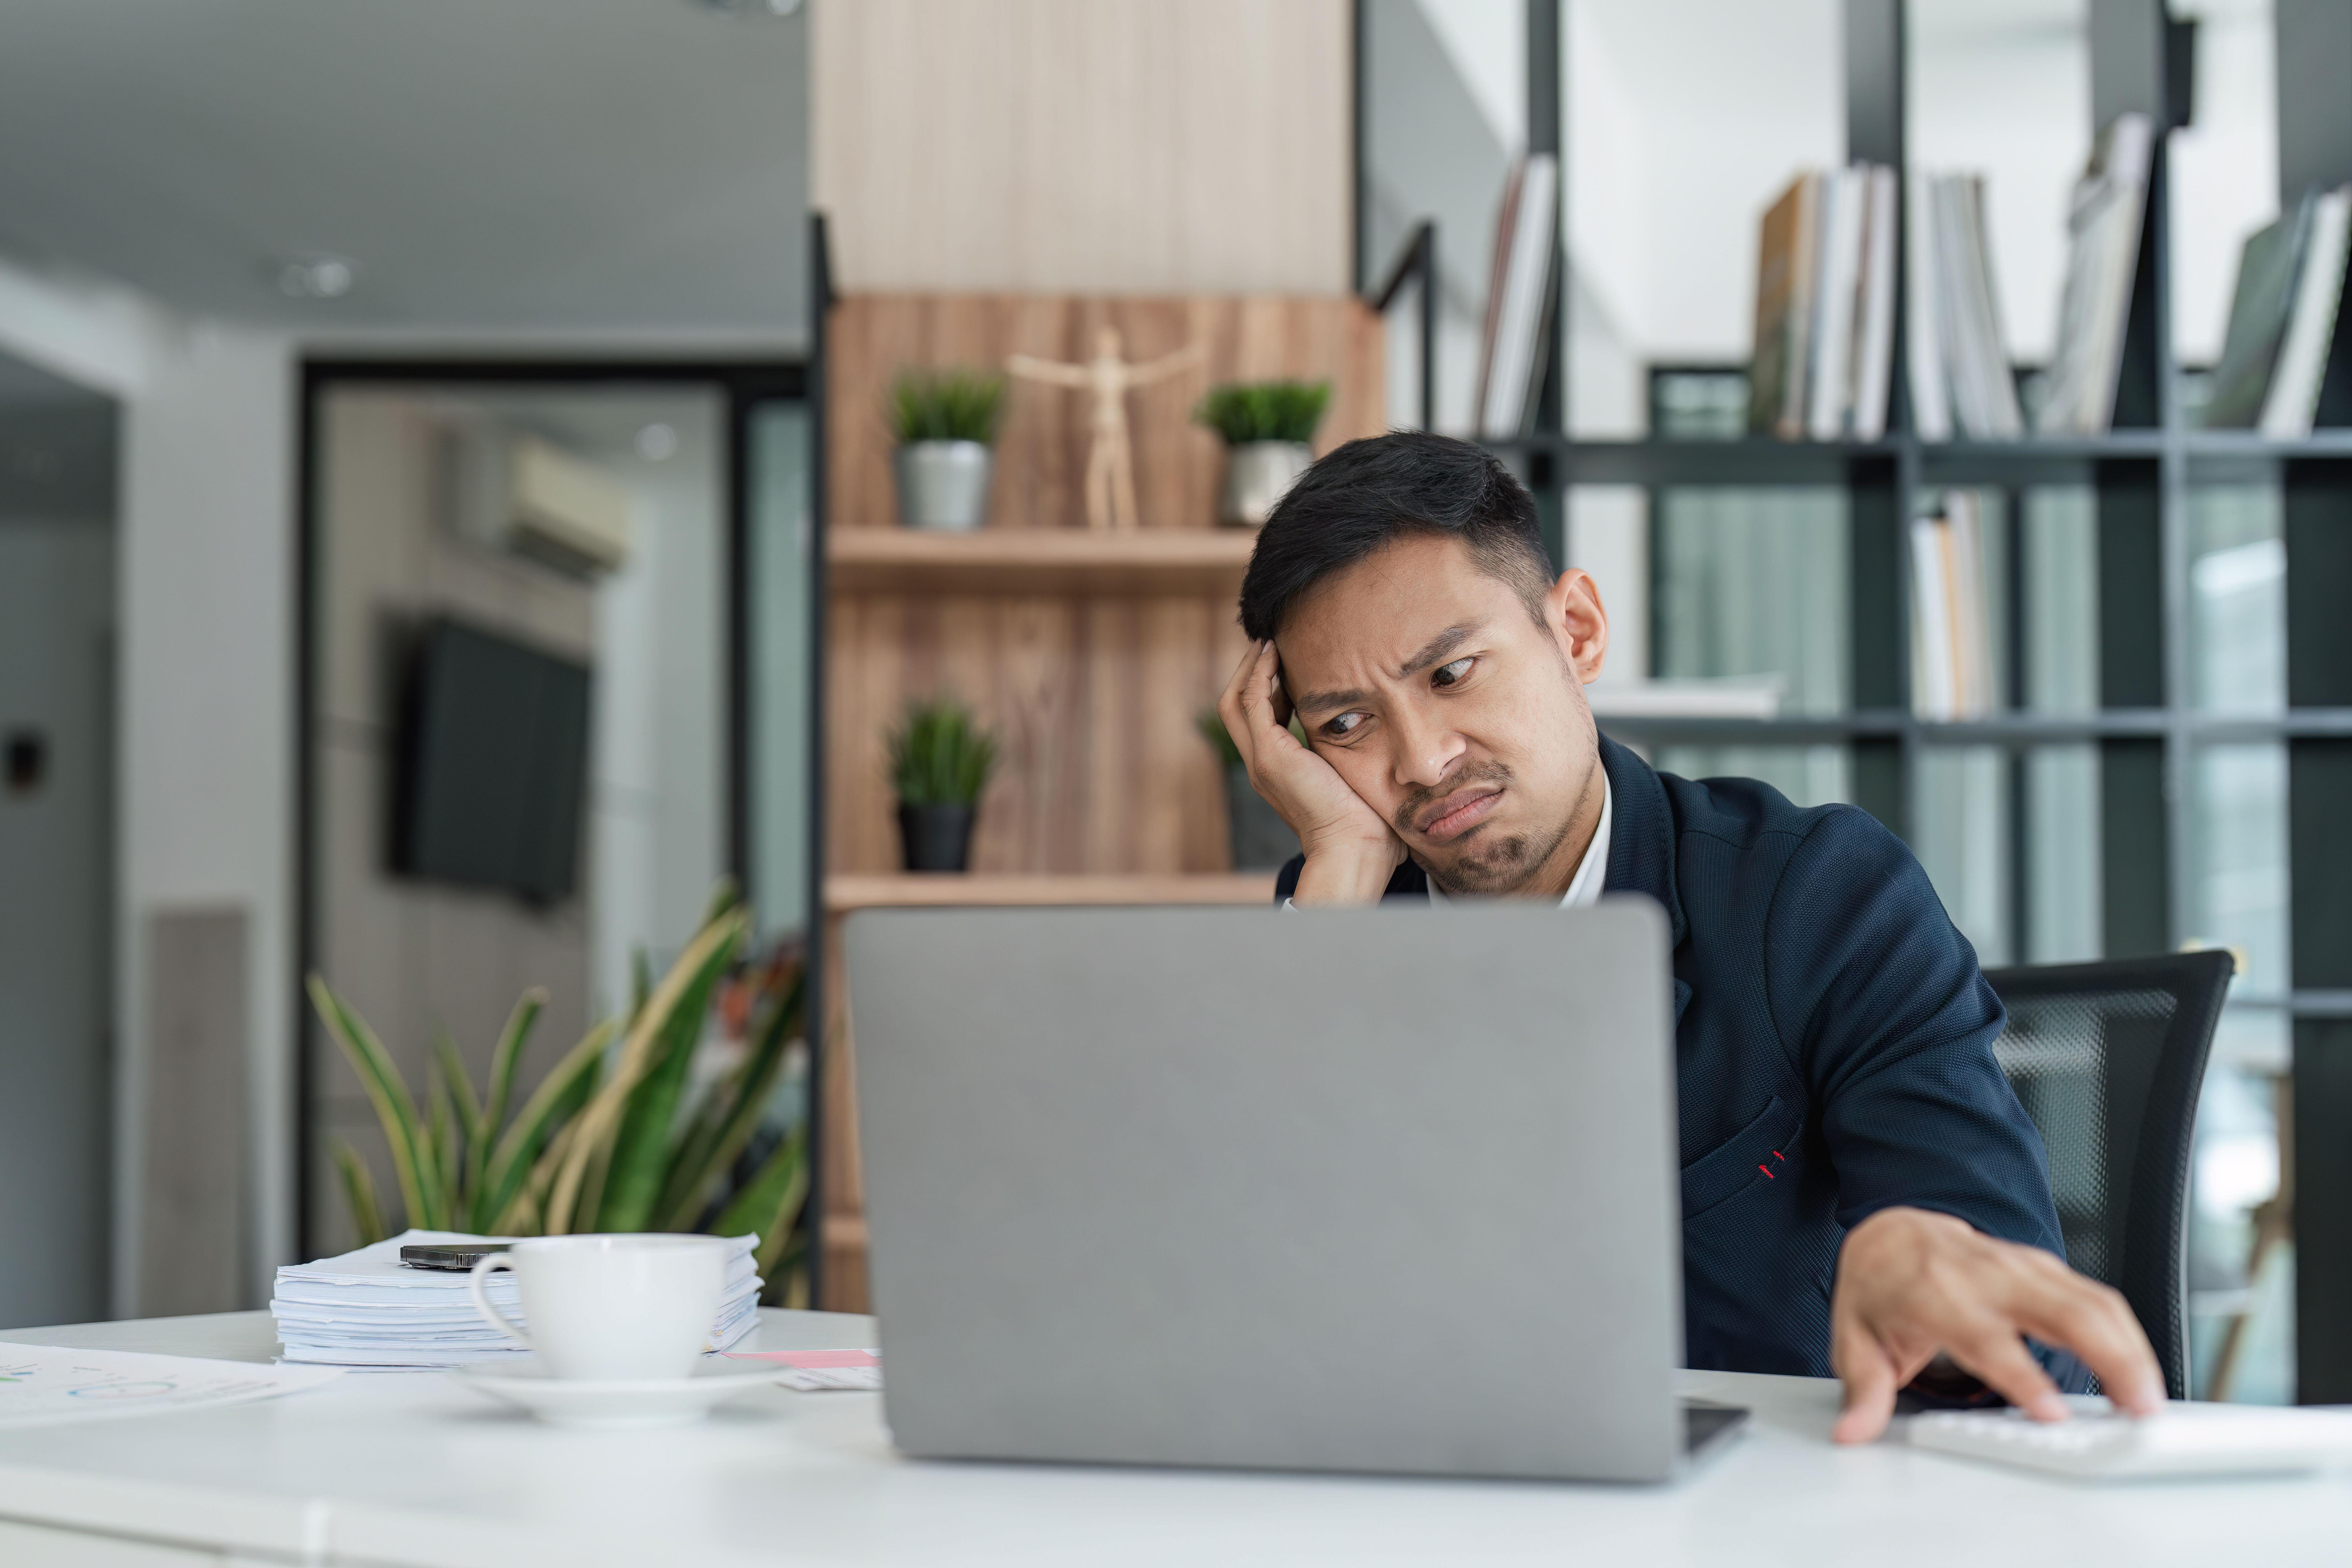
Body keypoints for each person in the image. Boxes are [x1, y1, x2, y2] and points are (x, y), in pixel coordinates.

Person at [1217, 431, 2163, 1443]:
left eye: (1453, 673)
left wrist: (1915, 1263)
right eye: (1349, 725)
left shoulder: (1819, 898)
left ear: (1575, 630)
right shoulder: (1338, 921)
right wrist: (1340, 869)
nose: (1423, 759)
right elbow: (1228, 1302)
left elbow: (2028, 1345)